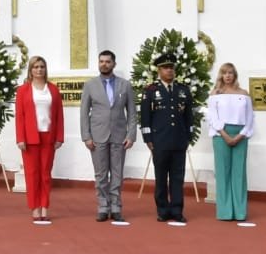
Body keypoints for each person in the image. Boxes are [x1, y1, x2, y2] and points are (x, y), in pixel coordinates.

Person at [79, 49, 138, 222]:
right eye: (101, 61)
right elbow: (84, 113)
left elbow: (132, 113)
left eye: (107, 61)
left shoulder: (125, 85)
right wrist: (86, 136)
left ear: (114, 64)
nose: (104, 64)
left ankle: (116, 206)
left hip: (119, 135)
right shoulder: (90, 85)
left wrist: (131, 134)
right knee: (101, 173)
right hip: (97, 136)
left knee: (117, 173)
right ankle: (103, 206)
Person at [140, 51, 195, 224]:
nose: (169, 71)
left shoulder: (183, 90)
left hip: (179, 141)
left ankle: (177, 210)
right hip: (159, 141)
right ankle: (163, 210)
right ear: (159, 71)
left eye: (171, 67)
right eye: (165, 68)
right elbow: (145, 117)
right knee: (161, 178)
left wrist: (188, 137)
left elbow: (189, 117)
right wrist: (148, 139)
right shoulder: (151, 91)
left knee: (178, 178)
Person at [14, 55, 64, 224]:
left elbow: (59, 116)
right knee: (32, 174)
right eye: (35, 67)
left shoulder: (53, 90)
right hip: (30, 138)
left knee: (45, 174)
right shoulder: (23, 91)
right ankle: (34, 208)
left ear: (45, 69)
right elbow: (19, 117)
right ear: (30, 70)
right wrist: (20, 138)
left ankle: (44, 206)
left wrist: (59, 137)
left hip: (48, 136)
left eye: (42, 66)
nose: (39, 70)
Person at [207, 62, 254, 222]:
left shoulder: (244, 94)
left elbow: (250, 118)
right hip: (221, 135)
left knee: (239, 173)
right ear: (221, 75)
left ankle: (240, 211)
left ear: (235, 75)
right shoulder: (215, 94)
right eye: (224, 73)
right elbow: (212, 117)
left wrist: (241, 135)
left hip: (241, 135)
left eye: (230, 73)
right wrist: (225, 134)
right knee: (223, 172)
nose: (227, 76)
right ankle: (225, 211)